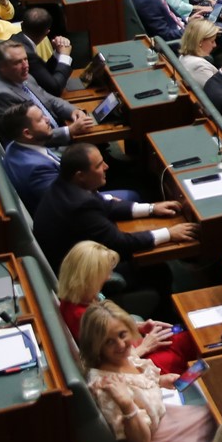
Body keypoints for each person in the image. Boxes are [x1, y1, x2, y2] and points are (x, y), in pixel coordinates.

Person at [81, 301, 214, 442]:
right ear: (97, 346)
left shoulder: (124, 357)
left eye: (123, 335)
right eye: (110, 342)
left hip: (169, 418)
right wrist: (126, 405)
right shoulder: (107, 387)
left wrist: (160, 381)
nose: (121, 345)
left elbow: (139, 388)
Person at [33, 143, 195, 269]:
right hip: (79, 273)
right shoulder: (80, 206)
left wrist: (152, 208)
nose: (106, 167)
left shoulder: (66, 184)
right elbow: (120, 242)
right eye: (98, 166)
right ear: (80, 176)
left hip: (74, 253)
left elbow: (106, 204)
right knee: (158, 271)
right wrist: (169, 233)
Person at [57, 239, 190, 371]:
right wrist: (145, 347)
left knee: (184, 337)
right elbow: (105, 366)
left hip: (133, 347)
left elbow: (110, 330)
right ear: (91, 278)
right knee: (185, 349)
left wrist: (137, 327)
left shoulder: (83, 297)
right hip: (134, 364)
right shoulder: (82, 317)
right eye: (105, 273)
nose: (108, 277)